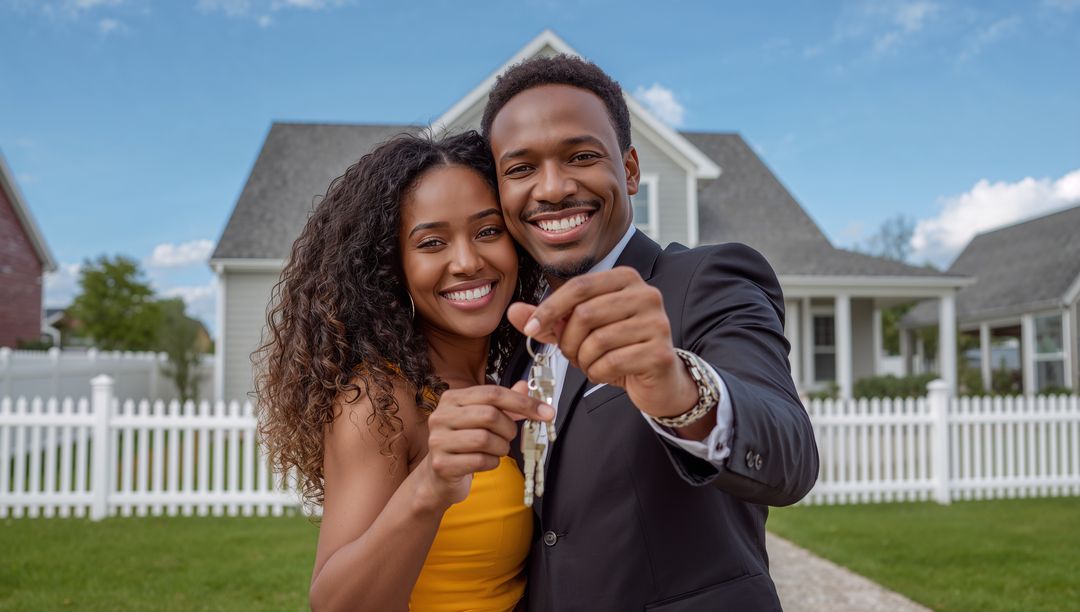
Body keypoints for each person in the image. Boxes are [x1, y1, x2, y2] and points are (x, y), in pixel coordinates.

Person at [444, 55, 820, 610]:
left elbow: (789, 454)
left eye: (581, 156)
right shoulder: (519, 339)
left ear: (632, 170)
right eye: (521, 169)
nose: (551, 188)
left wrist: (678, 389)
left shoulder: (706, 281)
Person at [253, 131, 553, 612]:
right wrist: (428, 487)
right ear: (393, 268)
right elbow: (335, 605)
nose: (467, 261)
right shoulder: (380, 400)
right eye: (432, 242)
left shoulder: (510, 376)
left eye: (488, 231)